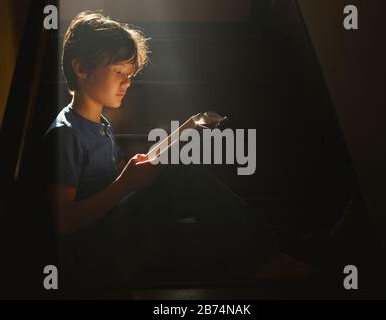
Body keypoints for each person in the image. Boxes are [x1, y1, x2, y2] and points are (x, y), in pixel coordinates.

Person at [43, 10, 312, 293]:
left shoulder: (101, 125)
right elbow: (65, 221)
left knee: (202, 227)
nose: (127, 82)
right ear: (81, 69)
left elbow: (109, 181)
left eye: (130, 74)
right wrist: (126, 185)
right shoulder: (65, 134)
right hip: (96, 260)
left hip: (118, 235)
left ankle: (288, 247)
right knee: (179, 175)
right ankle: (271, 256)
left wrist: (134, 168)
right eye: (118, 72)